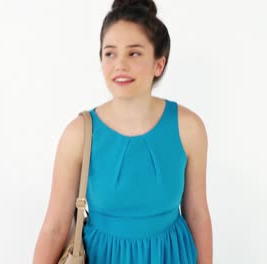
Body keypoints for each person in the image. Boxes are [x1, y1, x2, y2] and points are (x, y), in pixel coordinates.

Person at [33, 0, 212, 263]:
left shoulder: (189, 128)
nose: (120, 64)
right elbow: (56, 226)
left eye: (134, 53)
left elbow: (197, 214)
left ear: (158, 64)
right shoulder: (79, 133)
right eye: (110, 53)